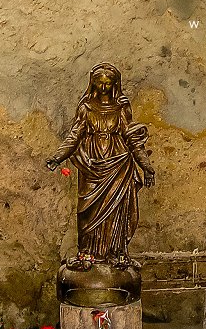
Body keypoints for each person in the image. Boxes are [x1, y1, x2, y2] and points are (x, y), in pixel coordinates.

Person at [46, 63, 155, 268]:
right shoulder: (86, 108)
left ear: (114, 84)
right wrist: (58, 157)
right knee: (87, 212)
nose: (104, 88)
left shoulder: (121, 107)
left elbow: (131, 139)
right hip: (91, 166)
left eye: (108, 83)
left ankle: (116, 252)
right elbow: (74, 136)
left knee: (117, 211)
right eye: (100, 83)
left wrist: (146, 166)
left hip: (118, 164)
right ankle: (86, 253)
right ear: (93, 83)